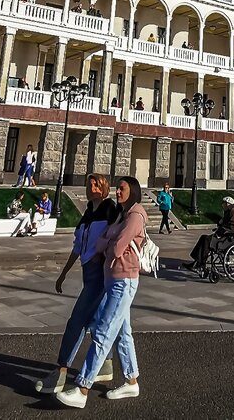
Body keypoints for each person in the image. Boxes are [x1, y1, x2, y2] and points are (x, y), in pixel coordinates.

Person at [56, 176, 147, 407]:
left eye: (122, 189)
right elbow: (102, 243)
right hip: (112, 278)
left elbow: (115, 248)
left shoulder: (135, 216)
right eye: (117, 189)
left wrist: (109, 242)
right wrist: (109, 241)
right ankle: (132, 381)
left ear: (133, 191)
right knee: (123, 334)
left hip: (124, 280)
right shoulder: (121, 215)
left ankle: (83, 388)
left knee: (104, 332)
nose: (118, 192)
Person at [37, 174, 123, 394]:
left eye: (95, 184)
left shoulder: (109, 208)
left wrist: (102, 255)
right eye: (89, 184)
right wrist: (63, 273)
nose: (90, 187)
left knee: (77, 321)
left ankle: (61, 371)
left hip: (100, 273)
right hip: (88, 272)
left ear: (103, 188)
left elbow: (118, 236)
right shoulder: (87, 213)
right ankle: (105, 365)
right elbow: (78, 246)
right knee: (95, 319)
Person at [183, 195, 234, 273]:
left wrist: (221, 230)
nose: (222, 205)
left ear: (228, 204)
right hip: (225, 236)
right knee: (203, 237)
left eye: (224, 204)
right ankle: (196, 262)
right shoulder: (229, 212)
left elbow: (233, 228)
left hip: (228, 239)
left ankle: (201, 265)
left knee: (207, 240)